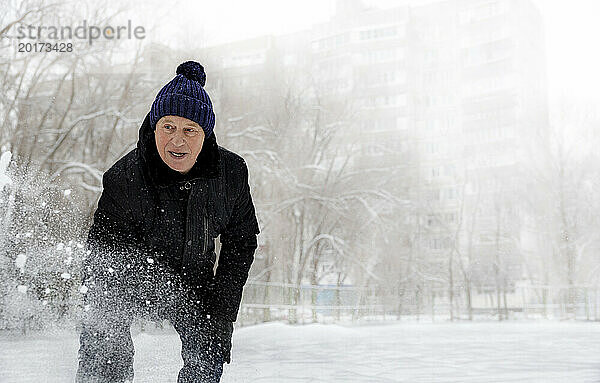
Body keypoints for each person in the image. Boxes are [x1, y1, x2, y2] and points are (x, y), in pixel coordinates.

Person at [75, 61, 260, 383]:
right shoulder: (125, 179)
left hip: (195, 280)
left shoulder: (230, 174)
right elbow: (102, 255)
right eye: (168, 127)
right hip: (129, 277)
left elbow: (241, 241)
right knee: (103, 338)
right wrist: (107, 322)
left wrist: (222, 313)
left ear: (206, 135)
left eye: (190, 130)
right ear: (153, 126)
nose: (177, 141)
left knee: (209, 348)